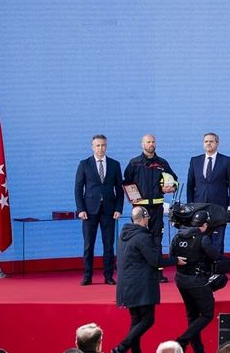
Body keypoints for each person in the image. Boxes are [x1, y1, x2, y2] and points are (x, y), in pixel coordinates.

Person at [113, 206, 181, 353]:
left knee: (136, 321)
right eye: (148, 218)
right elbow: (155, 260)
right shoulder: (142, 237)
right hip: (141, 286)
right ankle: (121, 348)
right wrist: (176, 260)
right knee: (147, 320)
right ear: (144, 219)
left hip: (126, 285)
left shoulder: (123, 235)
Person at [123, 134, 178, 281]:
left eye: (153, 141)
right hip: (140, 210)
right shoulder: (134, 163)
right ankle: (139, 272)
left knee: (156, 240)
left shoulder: (162, 163)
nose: (151, 144)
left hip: (157, 208)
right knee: (138, 240)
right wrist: (132, 198)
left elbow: (175, 181)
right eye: (148, 142)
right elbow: (126, 182)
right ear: (142, 144)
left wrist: (171, 188)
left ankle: (157, 273)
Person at [170, 210, 222, 353]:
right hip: (197, 281)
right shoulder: (202, 238)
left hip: (180, 280)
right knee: (207, 314)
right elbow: (215, 255)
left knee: (192, 316)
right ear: (204, 225)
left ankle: (198, 349)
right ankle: (182, 340)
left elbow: (171, 255)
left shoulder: (178, 236)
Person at [75, 134, 124, 286]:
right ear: (92, 147)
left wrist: (118, 208)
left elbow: (119, 190)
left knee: (108, 245)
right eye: (97, 145)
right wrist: (80, 209)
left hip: (109, 211)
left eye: (103, 145)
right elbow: (78, 188)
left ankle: (108, 276)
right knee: (88, 245)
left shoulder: (115, 164)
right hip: (89, 211)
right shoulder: (84, 164)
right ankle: (87, 276)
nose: (100, 148)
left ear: (106, 146)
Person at [186, 132, 230, 252]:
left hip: (219, 207)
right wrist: (190, 206)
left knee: (217, 239)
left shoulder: (226, 161)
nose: (208, 143)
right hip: (199, 206)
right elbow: (190, 185)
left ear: (217, 143)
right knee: (199, 238)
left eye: (211, 141)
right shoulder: (195, 161)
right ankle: (201, 268)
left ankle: (216, 268)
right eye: (206, 141)